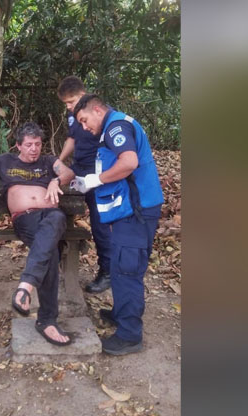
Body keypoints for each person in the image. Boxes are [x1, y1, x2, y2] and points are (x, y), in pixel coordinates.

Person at [71, 94, 165, 355]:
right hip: (132, 208)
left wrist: (96, 180)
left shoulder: (115, 127)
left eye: (85, 119)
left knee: (126, 268)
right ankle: (121, 312)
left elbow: (129, 163)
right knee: (122, 263)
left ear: (98, 110)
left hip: (137, 210)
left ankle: (129, 335)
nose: (84, 126)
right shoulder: (114, 126)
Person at [0, 122, 76, 346]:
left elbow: (67, 172)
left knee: (55, 220)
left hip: (51, 218)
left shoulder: (48, 162)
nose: (34, 149)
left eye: (37, 144)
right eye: (28, 145)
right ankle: (46, 320)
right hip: (25, 220)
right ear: (19, 145)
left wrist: (56, 180)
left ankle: (26, 287)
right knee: (50, 253)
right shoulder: (5, 161)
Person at [56, 76, 113, 293]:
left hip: (99, 175)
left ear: (83, 95)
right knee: (57, 202)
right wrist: (60, 161)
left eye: (71, 102)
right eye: (66, 104)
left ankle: (107, 271)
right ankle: (59, 257)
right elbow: (72, 139)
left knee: (100, 223)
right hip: (78, 170)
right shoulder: (74, 117)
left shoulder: (103, 115)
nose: (69, 107)